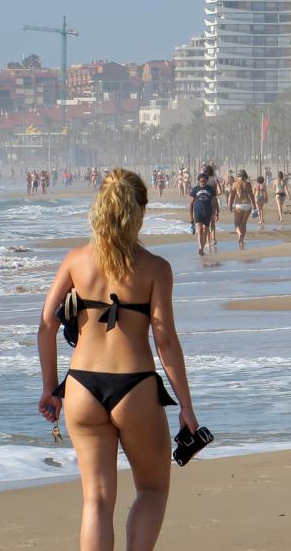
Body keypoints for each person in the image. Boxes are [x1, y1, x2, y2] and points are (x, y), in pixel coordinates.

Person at [38, 168, 198, 551]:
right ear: (138, 212)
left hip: (81, 388)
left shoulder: (77, 261)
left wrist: (50, 388)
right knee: (153, 488)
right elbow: (166, 341)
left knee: (96, 500)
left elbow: (45, 326)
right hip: (135, 387)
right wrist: (186, 406)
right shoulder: (156, 268)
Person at [188, 172, 218, 256]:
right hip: (198, 212)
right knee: (200, 230)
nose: (203, 183)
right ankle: (200, 248)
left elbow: (214, 202)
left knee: (205, 230)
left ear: (207, 181)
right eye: (201, 181)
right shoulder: (195, 189)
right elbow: (190, 203)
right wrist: (191, 217)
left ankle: (202, 248)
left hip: (208, 212)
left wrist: (215, 212)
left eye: (204, 181)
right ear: (198, 181)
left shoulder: (211, 189)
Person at [226, 169, 256, 249]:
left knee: (236, 224)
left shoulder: (235, 184)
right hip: (248, 205)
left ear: (238, 175)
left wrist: (230, 205)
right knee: (243, 224)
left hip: (239, 205)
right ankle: (242, 241)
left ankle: (239, 234)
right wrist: (254, 205)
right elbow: (251, 196)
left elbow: (232, 195)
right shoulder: (248, 183)